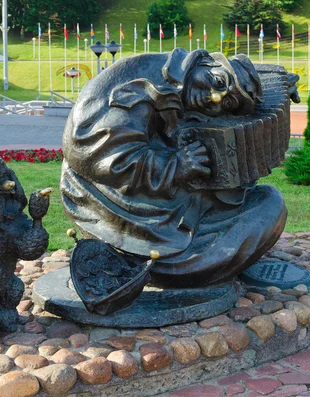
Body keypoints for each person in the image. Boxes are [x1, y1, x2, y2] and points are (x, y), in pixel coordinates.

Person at [61, 48, 288, 287]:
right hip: (116, 202)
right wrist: (175, 166)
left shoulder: (181, 83)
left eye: (227, 102)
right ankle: (173, 266)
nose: (216, 97)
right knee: (267, 210)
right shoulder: (138, 85)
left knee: (264, 202)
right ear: (207, 61)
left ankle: (204, 257)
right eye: (218, 81)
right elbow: (94, 154)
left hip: (166, 196)